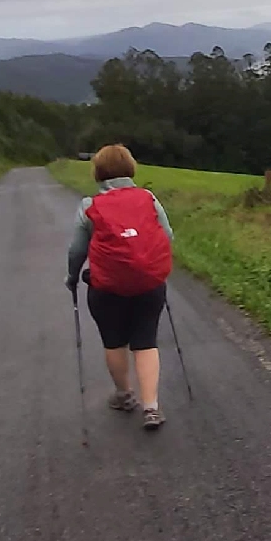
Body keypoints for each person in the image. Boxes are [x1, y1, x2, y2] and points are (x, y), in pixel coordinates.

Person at [65, 144, 175, 430]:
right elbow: (168, 235)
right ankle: (151, 408)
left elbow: (77, 251)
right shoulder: (148, 198)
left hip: (106, 288)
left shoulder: (89, 206)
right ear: (130, 169)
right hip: (150, 284)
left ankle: (125, 396)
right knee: (146, 340)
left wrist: (72, 277)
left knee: (114, 341)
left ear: (98, 172)